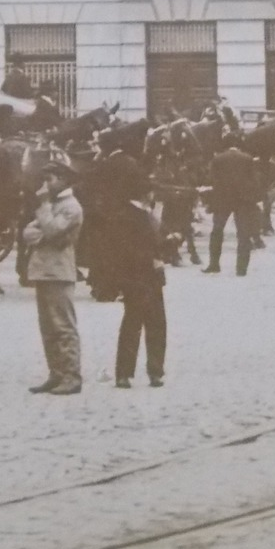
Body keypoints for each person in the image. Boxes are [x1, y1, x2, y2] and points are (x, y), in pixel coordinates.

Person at [21, 161, 84, 396]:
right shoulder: (53, 205)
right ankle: (56, 373)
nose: (46, 185)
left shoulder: (71, 207)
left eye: (51, 179)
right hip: (44, 271)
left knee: (63, 325)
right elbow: (28, 232)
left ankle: (71, 375)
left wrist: (44, 209)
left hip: (59, 271)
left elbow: (52, 230)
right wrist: (44, 233)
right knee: (48, 327)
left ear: (64, 180)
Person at [104, 159, 168, 388]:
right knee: (155, 324)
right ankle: (155, 371)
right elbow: (133, 248)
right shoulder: (137, 216)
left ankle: (124, 373)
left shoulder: (126, 213)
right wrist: (154, 258)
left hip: (136, 277)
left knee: (132, 324)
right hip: (143, 276)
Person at [204, 143, 263, 276]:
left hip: (222, 199)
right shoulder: (247, 158)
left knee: (217, 231)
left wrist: (210, 200)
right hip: (243, 199)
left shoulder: (218, 159)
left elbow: (211, 179)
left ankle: (214, 264)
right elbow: (254, 180)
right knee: (243, 234)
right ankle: (241, 269)